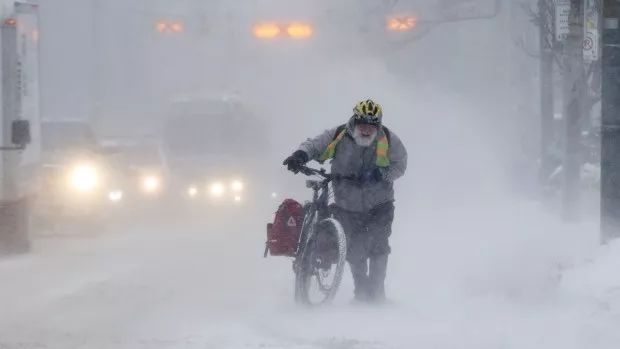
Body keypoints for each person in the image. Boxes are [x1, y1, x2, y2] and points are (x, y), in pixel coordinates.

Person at [283, 99, 408, 303]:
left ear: (377, 125)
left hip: (380, 205)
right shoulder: (339, 135)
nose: (366, 130)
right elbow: (315, 144)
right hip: (347, 204)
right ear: (355, 122)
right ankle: (361, 292)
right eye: (362, 125)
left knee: (378, 247)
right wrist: (300, 155)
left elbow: (400, 164)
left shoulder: (389, 140)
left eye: (371, 126)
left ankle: (376, 294)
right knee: (354, 249)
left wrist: (381, 175)